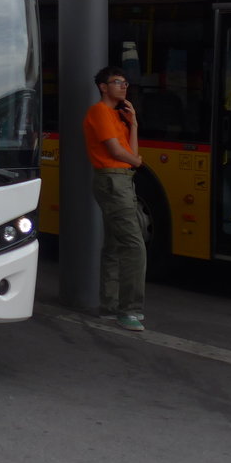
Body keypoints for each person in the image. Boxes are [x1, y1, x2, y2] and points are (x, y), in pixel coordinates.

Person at [83, 66, 147, 332]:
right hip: (112, 179)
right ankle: (129, 310)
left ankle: (110, 306)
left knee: (115, 244)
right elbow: (117, 152)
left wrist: (134, 124)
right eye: (118, 82)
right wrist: (137, 162)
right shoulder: (99, 111)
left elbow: (130, 151)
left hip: (122, 179)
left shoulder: (117, 115)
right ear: (103, 87)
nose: (124, 86)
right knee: (134, 245)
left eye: (126, 83)